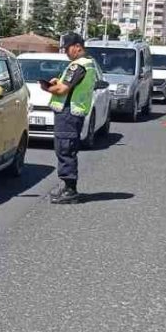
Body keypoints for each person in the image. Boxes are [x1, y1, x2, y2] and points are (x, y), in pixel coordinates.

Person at [43, 32, 97, 205]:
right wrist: (56, 82)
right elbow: (67, 85)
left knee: (65, 149)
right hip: (70, 112)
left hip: (69, 113)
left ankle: (70, 189)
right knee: (64, 148)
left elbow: (62, 90)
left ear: (77, 47)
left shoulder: (79, 66)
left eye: (67, 48)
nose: (66, 52)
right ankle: (67, 186)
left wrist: (47, 88)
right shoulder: (85, 64)